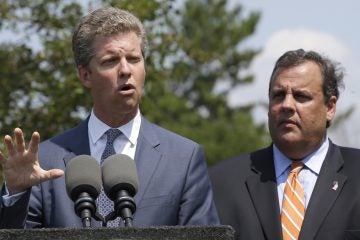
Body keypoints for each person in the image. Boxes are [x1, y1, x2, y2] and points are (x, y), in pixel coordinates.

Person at [0, 7, 219, 228]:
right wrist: (16, 193)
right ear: (85, 75)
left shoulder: (183, 158)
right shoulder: (46, 161)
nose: (125, 70)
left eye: (134, 59)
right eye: (111, 61)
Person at [210, 49, 360, 240]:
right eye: (279, 95)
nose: (287, 105)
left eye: (301, 96)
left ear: (329, 107)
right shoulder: (222, 182)